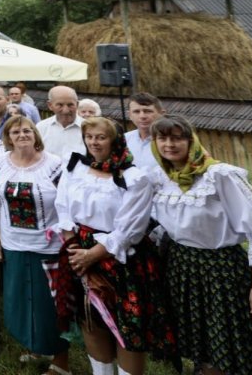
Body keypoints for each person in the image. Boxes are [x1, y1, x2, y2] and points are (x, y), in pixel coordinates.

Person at [149, 115, 252, 375]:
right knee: (201, 342)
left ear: (191, 140)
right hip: (182, 267)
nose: (169, 144)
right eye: (162, 138)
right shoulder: (161, 178)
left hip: (221, 269)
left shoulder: (220, 175)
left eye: (176, 138)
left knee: (232, 341)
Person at [54, 116, 175, 375]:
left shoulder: (133, 177)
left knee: (127, 326)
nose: (94, 143)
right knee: (91, 319)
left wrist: (91, 256)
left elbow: (129, 229)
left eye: (101, 137)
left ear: (116, 141)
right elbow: (62, 208)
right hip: (77, 250)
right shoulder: (75, 168)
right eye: (90, 137)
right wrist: (75, 251)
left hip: (121, 258)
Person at [0, 115, 69, 373]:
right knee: (22, 300)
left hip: (47, 247)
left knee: (50, 305)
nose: (21, 135)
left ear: (35, 134)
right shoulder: (1, 163)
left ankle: (61, 361)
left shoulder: (55, 165)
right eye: (15, 132)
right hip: (14, 243)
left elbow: (67, 204)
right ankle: (36, 348)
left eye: (26, 131)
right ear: (8, 138)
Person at [36, 85, 84, 163]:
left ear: (77, 104)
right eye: (60, 105)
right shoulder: (41, 127)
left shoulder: (88, 129)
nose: (66, 110)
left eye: (70, 105)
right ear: (50, 105)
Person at [124, 92, 163, 169]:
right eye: (136, 112)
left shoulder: (170, 143)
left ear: (161, 114)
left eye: (148, 111)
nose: (142, 116)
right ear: (130, 115)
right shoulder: (124, 140)